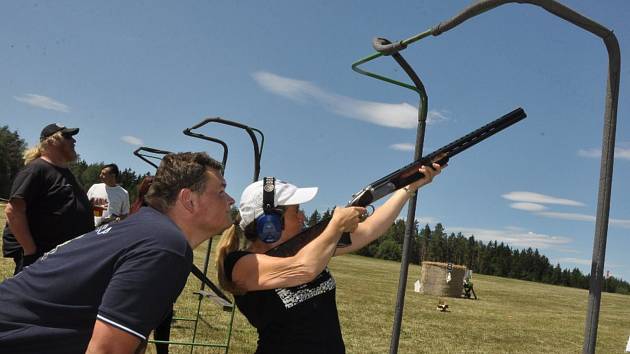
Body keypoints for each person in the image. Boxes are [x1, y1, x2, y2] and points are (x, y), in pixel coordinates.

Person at [0, 152, 235, 354]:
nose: (231, 200)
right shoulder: (165, 246)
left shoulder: (145, 227)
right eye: (221, 191)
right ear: (189, 200)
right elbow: (106, 350)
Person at [216, 163, 443, 354]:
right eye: (296, 211)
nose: (303, 216)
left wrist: (408, 188)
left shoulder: (309, 248)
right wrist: (334, 227)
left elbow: (370, 230)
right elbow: (303, 269)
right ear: (270, 223)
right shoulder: (240, 264)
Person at [3, 123, 94, 274]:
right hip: (43, 260)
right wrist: (31, 252)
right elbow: (13, 211)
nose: (74, 141)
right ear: (51, 141)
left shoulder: (67, 173)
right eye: (67, 136)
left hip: (67, 259)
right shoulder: (36, 170)